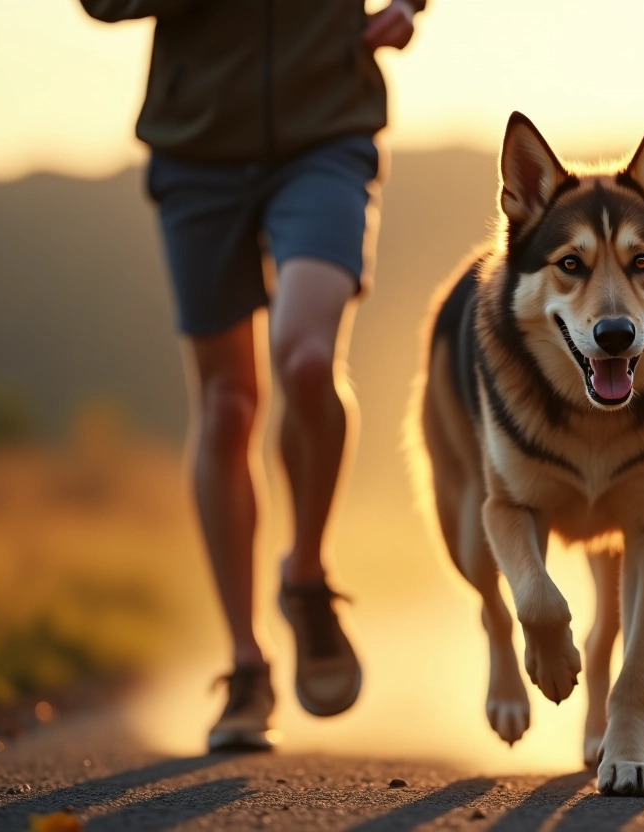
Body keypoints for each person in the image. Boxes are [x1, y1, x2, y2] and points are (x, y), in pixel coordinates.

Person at [79, 0, 425, 750]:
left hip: (327, 133)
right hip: (197, 150)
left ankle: (304, 574)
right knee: (229, 404)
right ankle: (245, 664)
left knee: (305, 357)